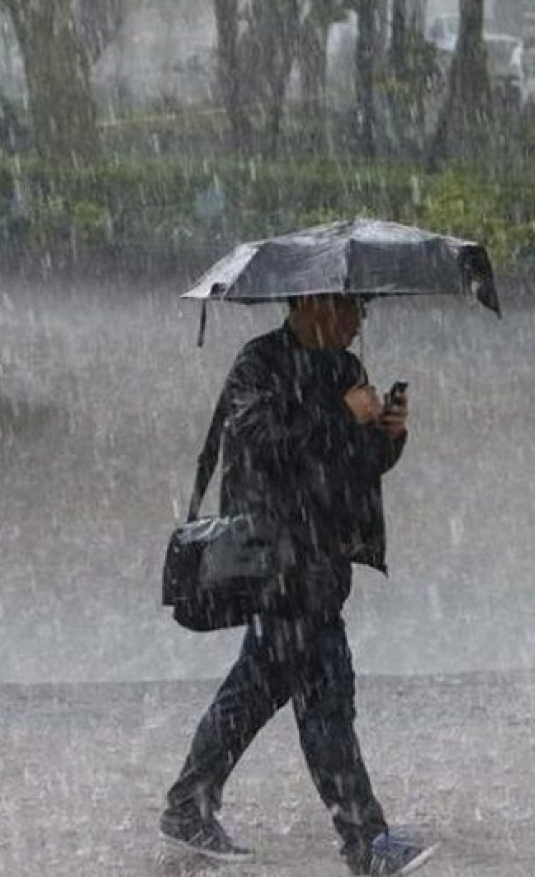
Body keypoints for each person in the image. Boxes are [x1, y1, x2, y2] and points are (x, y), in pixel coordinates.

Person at [161, 293, 435, 876]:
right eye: (352, 307)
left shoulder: (346, 367)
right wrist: (341, 415)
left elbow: (360, 461)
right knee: (326, 699)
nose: (361, 319)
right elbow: (264, 445)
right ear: (313, 303)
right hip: (279, 562)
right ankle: (367, 842)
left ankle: (189, 803)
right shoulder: (257, 364)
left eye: (362, 308)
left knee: (256, 688)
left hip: (325, 558)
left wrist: (387, 434)